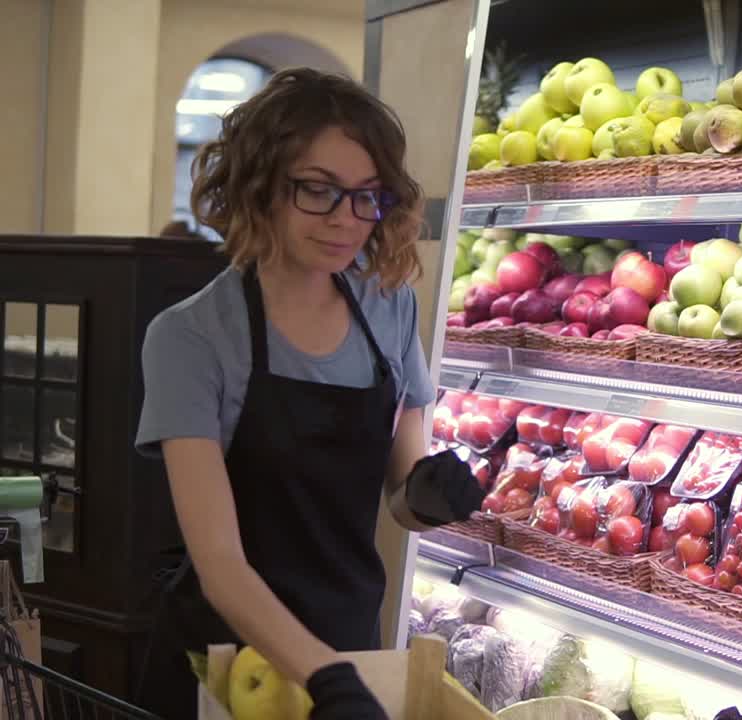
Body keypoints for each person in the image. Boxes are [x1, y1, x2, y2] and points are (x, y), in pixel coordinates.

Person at [134, 68, 482, 718]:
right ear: (260, 186)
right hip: (227, 660)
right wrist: (324, 677)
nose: (345, 220)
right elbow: (218, 562)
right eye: (317, 191)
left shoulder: (391, 310)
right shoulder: (191, 338)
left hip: (351, 647)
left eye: (366, 196)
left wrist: (430, 496)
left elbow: (399, 503)